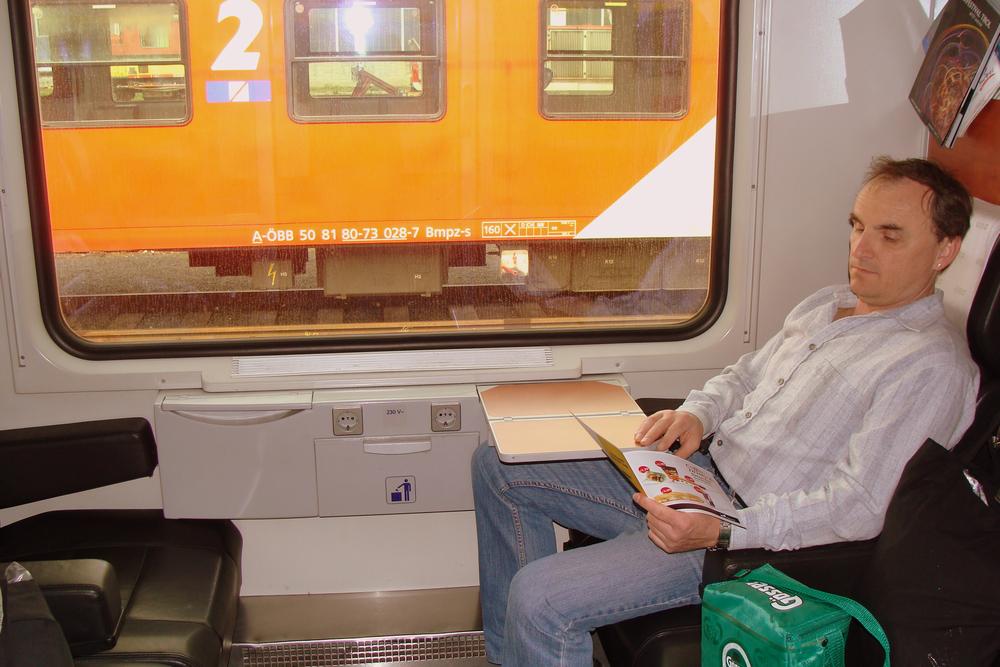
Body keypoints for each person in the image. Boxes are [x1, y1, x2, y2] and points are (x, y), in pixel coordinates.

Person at [471, 157, 980, 666]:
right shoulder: (828, 304)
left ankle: (537, 639)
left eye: (889, 236)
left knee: (541, 599)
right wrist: (698, 413)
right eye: (857, 226)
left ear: (945, 250)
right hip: (701, 476)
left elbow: (859, 507)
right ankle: (510, 655)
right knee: (497, 467)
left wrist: (725, 529)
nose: (860, 249)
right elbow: (746, 374)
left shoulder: (930, 366)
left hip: (743, 542)